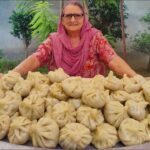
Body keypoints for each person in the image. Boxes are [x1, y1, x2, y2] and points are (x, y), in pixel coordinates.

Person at [12, 1, 136, 78]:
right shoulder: (53, 40)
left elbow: (113, 60)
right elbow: (36, 59)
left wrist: (135, 77)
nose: (72, 20)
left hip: (92, 97)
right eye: (68, 16)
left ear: (84, 18)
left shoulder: (95, 38)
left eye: (77, 15)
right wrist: (12, 74)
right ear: (62, 19)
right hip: (59, 97)